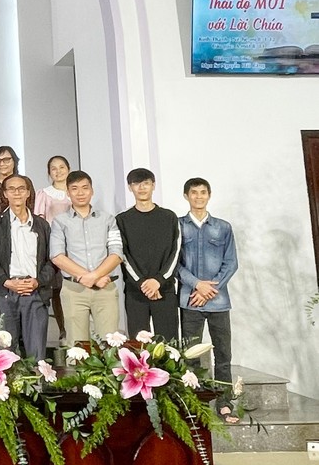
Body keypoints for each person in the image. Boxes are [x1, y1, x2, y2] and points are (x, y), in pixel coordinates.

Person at [178, 177, 239, 421]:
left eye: (203, 192)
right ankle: (194, 403)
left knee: (223, 355)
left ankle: (224, 403)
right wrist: (197, 285)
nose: (199, 197)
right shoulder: (178, 226)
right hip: (189, 300)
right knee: (190, 355)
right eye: (194, 193)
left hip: (218, 302)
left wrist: (210, 290)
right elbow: (175, 264)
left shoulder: (223, 227)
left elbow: (231, 262)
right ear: (186, 196)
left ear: (209, 195)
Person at [50, 171, 123, 345]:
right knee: (77, 347)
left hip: (105, 288)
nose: (80, 193)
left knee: (109, 345)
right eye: (74, 188)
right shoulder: (60, 221)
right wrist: (87, 277)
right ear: (68, 192)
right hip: (73, 290)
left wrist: (95, 276)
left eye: (85, 188)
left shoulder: (108, 219)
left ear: (92, 191)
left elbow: (116, 253)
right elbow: (57, 256)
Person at [0, 175, 53, 360]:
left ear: (28, 193)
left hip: (35, 292)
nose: (17, 193)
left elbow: (51, 260)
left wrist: (37, 281)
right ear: (5, 194)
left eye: (21, 188)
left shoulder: (42, 225)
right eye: (12, 189)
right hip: (6, 294)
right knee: (4, 354)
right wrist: (6, 281)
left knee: (36, 354)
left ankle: (37, 379)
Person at [116, 168, 181, 341]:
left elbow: (176, 252)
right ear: (130, 187)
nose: (142, 188)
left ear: (153, 185)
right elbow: (123, 255)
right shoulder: (122, 220)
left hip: (164, 290)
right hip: (136, 292)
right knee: (138, 347)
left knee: (168, 345)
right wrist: (142, 283)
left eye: (146, 183)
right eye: (136, 184)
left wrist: (158, 281)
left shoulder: (169, 217)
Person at [34, 155, 72, 342]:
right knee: (57, 289)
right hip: (53, 246)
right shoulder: (44, 193)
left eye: (62, 167)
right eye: (54, 168)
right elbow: (39, 221)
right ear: (49, 173)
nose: (58, 171)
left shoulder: (75, 191)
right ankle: (63, 329)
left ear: (68, 169)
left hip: (74, 247)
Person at [0, 146, 35, 216]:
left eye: (6, 160)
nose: (2, 164)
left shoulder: (24, 181)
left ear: (14, 161)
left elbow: (31, 205)